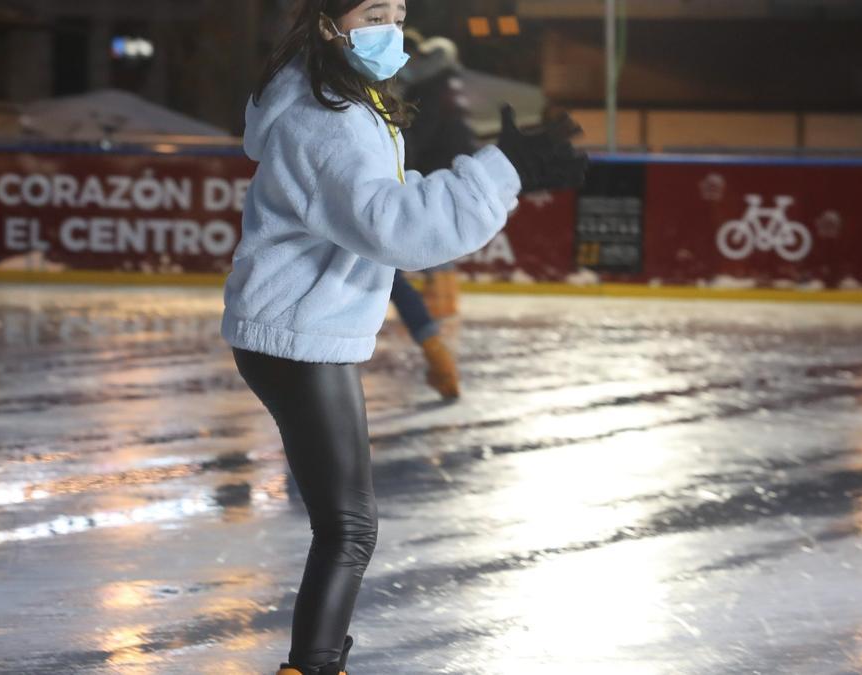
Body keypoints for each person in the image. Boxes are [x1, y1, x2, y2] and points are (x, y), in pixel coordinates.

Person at [219, 1, 587, 673]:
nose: (393, 27)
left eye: (399, 10)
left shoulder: (338, 100)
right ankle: (312, 666)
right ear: (330, 23)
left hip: (296, 330)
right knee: (350, 529)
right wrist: (504, 171)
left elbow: (385, 202)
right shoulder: (324, 116)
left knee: (345, 525)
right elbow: (395, 227)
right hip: (297, 336)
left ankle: (316, 660)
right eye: (374, 12)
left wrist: (494, 170)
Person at [385, 29, 479, 400]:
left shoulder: (429, 91)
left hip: (431, 181)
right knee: (393, 268)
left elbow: (416, 138)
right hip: (440, 181)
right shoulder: (448, 87)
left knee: (390, 269)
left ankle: (438, 336)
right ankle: (437, 343)